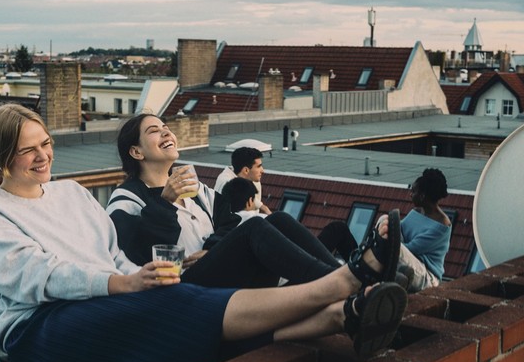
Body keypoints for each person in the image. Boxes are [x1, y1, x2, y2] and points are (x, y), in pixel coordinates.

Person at [0, 104, 406, 362]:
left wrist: (137, 278)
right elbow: (35, 276)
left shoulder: (72, 194)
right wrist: (125, 284)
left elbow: (113, 255)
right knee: (175, 304)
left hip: (100, 303)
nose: (43, 156)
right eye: (28, 150)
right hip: (41, 329)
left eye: (46, 143)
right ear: (0, 158)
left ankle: (342, 315)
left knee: (177, 294)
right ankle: (344, 281)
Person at [107, 113, 347, 289]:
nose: (166, 132)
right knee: (254, 225)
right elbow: (138, 255)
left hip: (216, 272)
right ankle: (341, 284)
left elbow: (229, 222)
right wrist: (166, 201)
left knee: (279, 219)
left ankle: (345, 278)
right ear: (137, 152)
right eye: (154, 131)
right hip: (186, 287)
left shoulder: (197, 190)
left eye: (166, 127)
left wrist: (210, 248)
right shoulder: (126, 199)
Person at [394, 167, 452, 292]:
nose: (410, 195)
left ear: (422, 195)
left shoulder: (441, 226)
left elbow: (411, 249)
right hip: (407, 259)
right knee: (384, 219)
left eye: (413, 191)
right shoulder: (416, 212)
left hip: (427, 275)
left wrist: (392, 238)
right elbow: (398, 228)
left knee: (395, 247)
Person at [214, 146, 271, 214]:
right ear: (246, 170)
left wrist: (263, 207)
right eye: (258, 166)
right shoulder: (225, 183)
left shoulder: (254, 180)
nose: (263, 171)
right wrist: (263, 207)